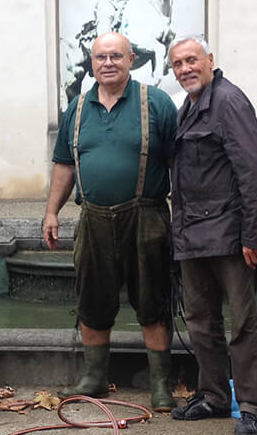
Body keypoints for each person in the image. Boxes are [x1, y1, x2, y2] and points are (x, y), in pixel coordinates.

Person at [43, 32, 179, 411]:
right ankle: (95, 377)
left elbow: (178, 164)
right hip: (93, 218)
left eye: (116, 56)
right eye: (101, 56)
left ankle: (160, 384)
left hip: (147, 215)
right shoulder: (78, 107)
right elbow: (64, 164)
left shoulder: (157, 103)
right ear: (92, 61)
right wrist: (52, 211)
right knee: (92, 299)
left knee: (152, 300)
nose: (108, 63)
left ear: (131, 59)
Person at [166, 36, 257, 435]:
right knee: (199, 320)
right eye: (177, 64)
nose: (185, 69)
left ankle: (252, 407)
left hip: (230, 236)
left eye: (191, 60)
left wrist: (254, 235)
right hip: (193, 236)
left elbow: (256, 171)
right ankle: (212, 396)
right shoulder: (189, 107)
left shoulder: (229, 101)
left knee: (242, 323)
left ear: (210, 60)